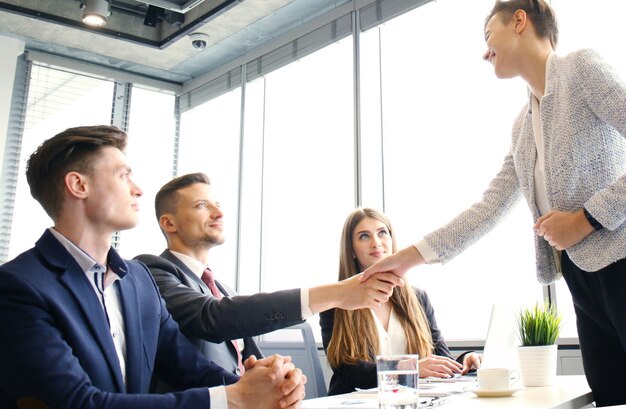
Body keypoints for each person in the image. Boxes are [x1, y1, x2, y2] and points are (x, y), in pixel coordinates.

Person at [361, 0, 626, 406]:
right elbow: (487, 210)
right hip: (582, 277)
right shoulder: (523, 125)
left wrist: (585, 219)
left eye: (488, 36)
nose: (485, 51)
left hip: (620, 260)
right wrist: (406, 259)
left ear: (519, 21)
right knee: (611, 393)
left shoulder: (581, 68)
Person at [0, 125, 305, 409]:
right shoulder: (19, 286)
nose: (138, 190)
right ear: (79, 185)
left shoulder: (138, 281)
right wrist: (235, 397)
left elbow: (189, 367)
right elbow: (79, 403)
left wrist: (266, 386)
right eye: (123, 176)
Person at [134, 173, 403, 386]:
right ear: (169, 223)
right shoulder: (152, 271)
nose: (219, 213)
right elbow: (211, 318)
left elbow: (250, 361)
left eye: (219, 205)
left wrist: (279, 377)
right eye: (202, 205)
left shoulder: (223, 289)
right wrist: (337, 293)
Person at [320, 208, 481, 395]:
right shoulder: (336, 302)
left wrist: (465, 361)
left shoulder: (418, 299)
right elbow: (348, 371)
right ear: (352, 251)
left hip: (410, 402)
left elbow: (439, 357)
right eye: (364, 236)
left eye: (382, 233)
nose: (376, 243)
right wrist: (410, 367)